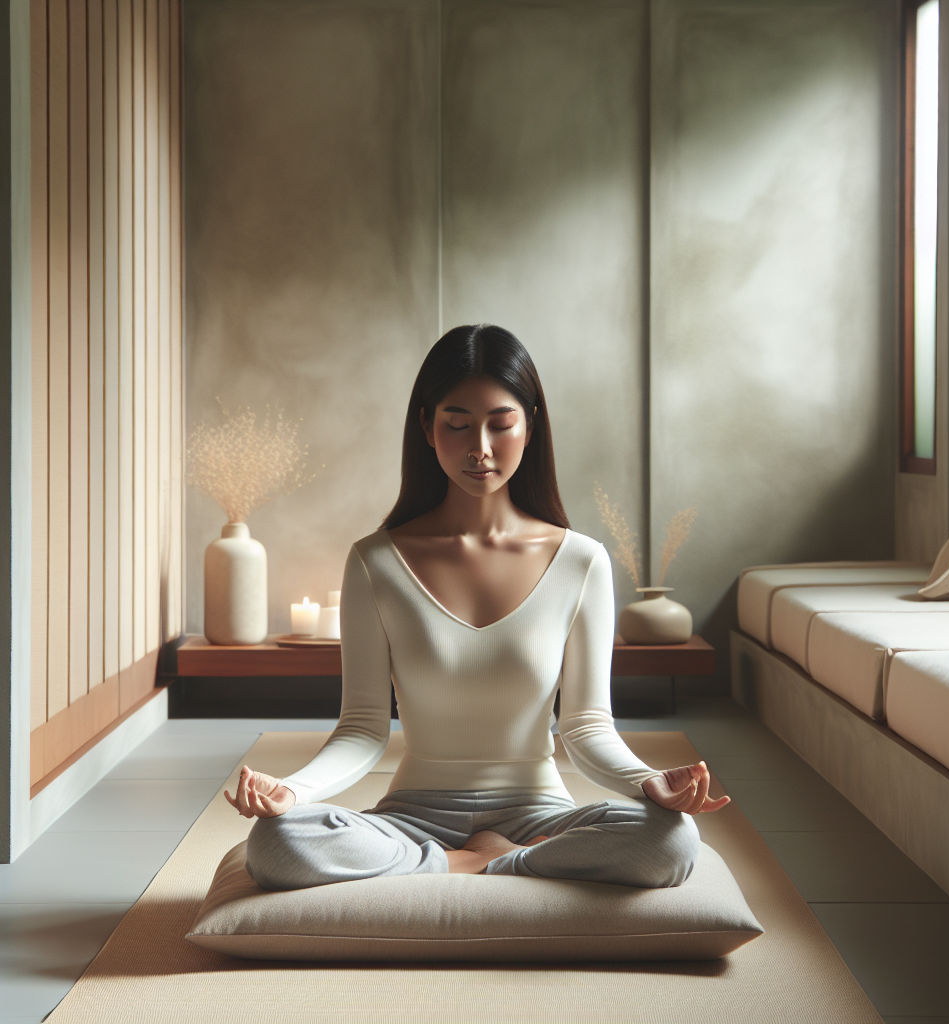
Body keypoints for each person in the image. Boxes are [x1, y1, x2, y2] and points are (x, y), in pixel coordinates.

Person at [225, 324, 730, 891]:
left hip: (540, 815)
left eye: (501, 423)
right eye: (457, 424)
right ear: (426, 426)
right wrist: (292, 791)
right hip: (412, 819)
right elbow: (363, 728)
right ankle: (484, 862)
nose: (480, 448)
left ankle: (477, 862)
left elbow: (586, 725)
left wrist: (648, 782)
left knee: (672, 838)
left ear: (532, 425)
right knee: (277, 843)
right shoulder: (377, 562)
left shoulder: (580, 562)